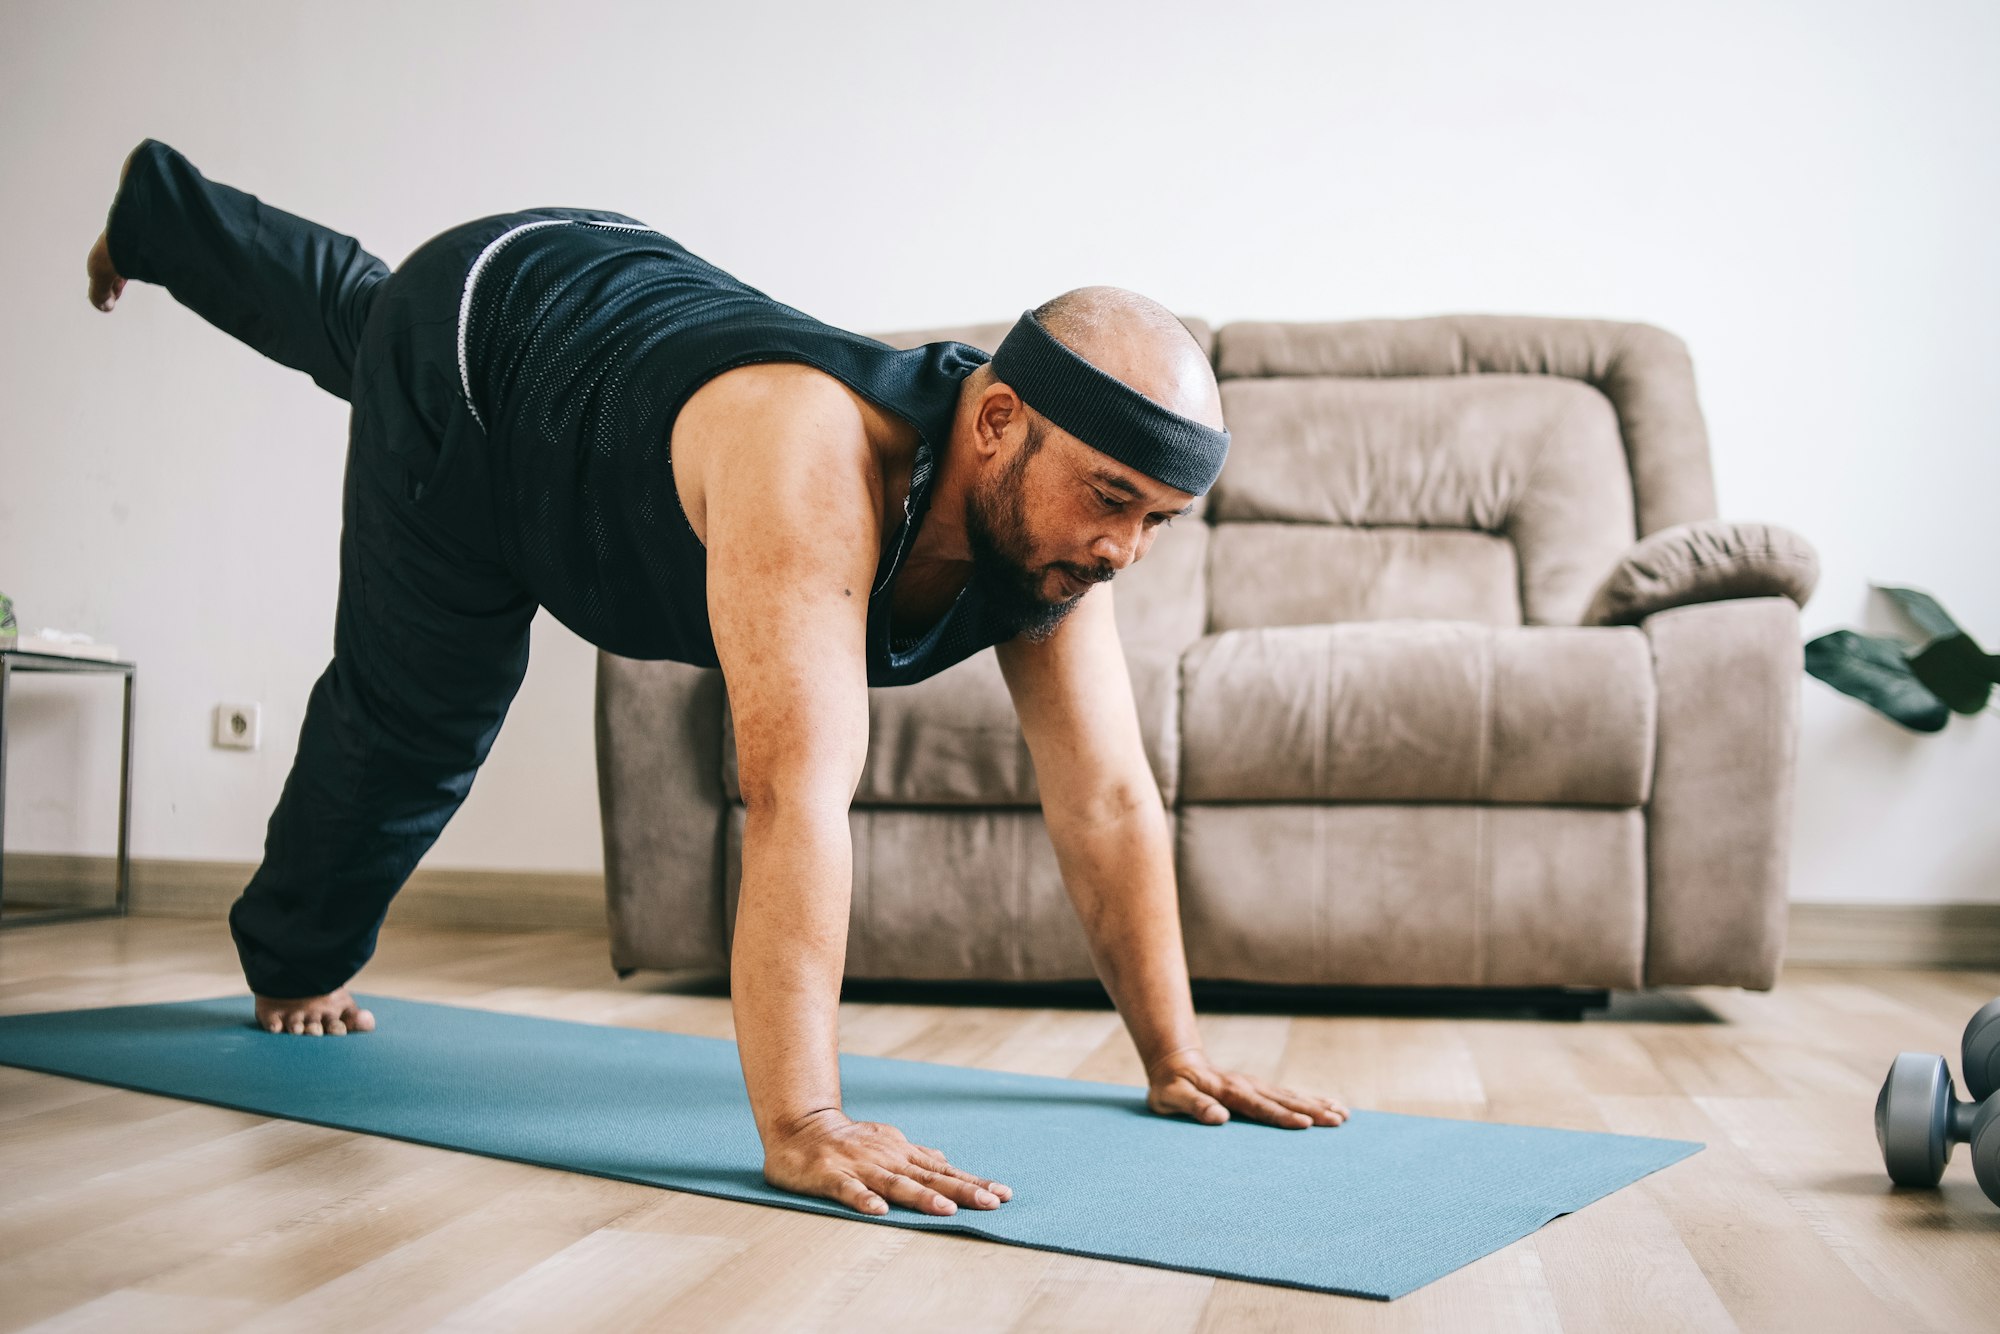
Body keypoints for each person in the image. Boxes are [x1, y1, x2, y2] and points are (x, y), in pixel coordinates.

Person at [85, 139, 1348, 1220]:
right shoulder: (808, 456)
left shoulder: (1049, 537)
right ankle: (291, 955)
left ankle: (163, 210)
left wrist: (1173, 1052)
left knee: (357, 309)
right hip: (481, 367)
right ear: (999, 420)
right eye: (1113, 500)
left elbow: (1107, 799)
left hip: (597, 287)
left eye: (1157, 521)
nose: (1122, 547)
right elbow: (794, 791)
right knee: (423, 709)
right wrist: (802, 1116)